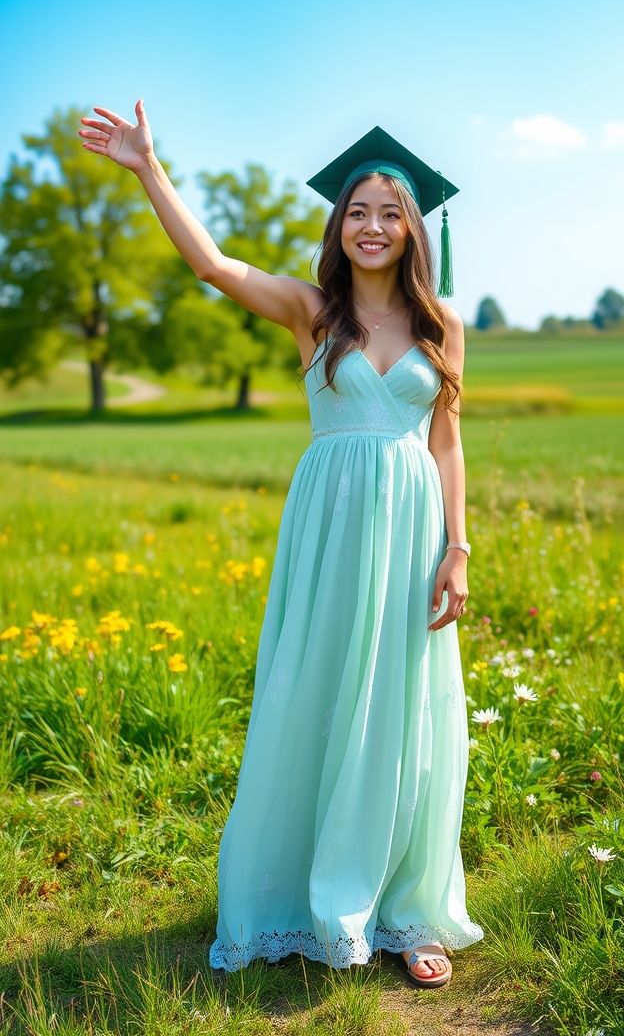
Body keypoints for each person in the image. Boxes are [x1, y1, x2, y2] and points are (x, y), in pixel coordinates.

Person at [79, 104, 484, 987]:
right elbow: (212, 263)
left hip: (413, 529)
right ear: (338, 227)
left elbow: (446, 440)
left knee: (406, 710)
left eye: (389, 213)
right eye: (356, 212)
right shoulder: (312, 312)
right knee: (319, 694)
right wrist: (149, 168)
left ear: (413, 229)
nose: (371, 226)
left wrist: (459, 548)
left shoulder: (441, 324)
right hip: (330, 529)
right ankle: (309, 899)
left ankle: (408, 906)